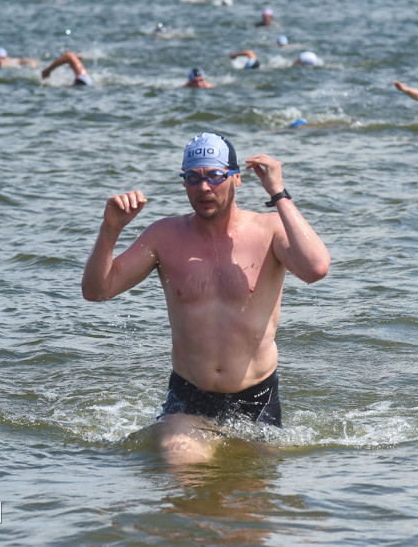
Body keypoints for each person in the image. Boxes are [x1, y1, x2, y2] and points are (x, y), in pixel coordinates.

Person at [81, 133, 330, 465]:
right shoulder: (164, 236)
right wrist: (110, 229)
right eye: (193, 177)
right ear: (184, 183)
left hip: (257, 398)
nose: (204, 187)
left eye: (215, 176)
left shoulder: (269, 230)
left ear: (236, 178)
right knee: (182, 467)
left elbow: (316, 268)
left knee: (252, 501)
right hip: (189, 398)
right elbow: (97, 291)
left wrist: (277, 193)